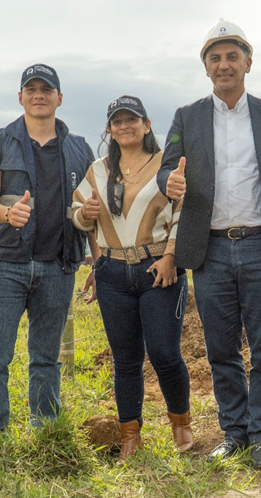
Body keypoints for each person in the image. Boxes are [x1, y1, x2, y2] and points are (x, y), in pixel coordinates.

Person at [157, 19, 261, 471]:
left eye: (231, 56)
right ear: (206, 68)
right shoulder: (188, 117)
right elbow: (166, 169)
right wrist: (172, 181)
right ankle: (234, 433)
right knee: (221, 350)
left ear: (248, 62)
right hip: (211, 249)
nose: (224, 65)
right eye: (215, 58)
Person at [0, 64, 95, 439]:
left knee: (46, 359)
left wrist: (97, 258)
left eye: (47, 89)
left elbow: (88, 209)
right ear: (20, 96)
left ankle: (45, 431)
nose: (39, 94)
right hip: (5, 265)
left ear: (59, 98)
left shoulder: (79, 148)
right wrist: (9, 214)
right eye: (31, 88)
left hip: (58, 266)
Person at [71, 95, 191, 462]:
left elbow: (182, 214)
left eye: (132, 120)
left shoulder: (165, 166)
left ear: (147, 124)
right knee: (124, 359)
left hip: (158, 269)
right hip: (111, 274)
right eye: (117, 121)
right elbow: (77, 213)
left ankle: (181, 424)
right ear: (109, 129)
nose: (124, 126)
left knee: (164, 353)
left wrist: (171, 257)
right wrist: (85, 213)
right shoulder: (98, 170)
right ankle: (129, 437)